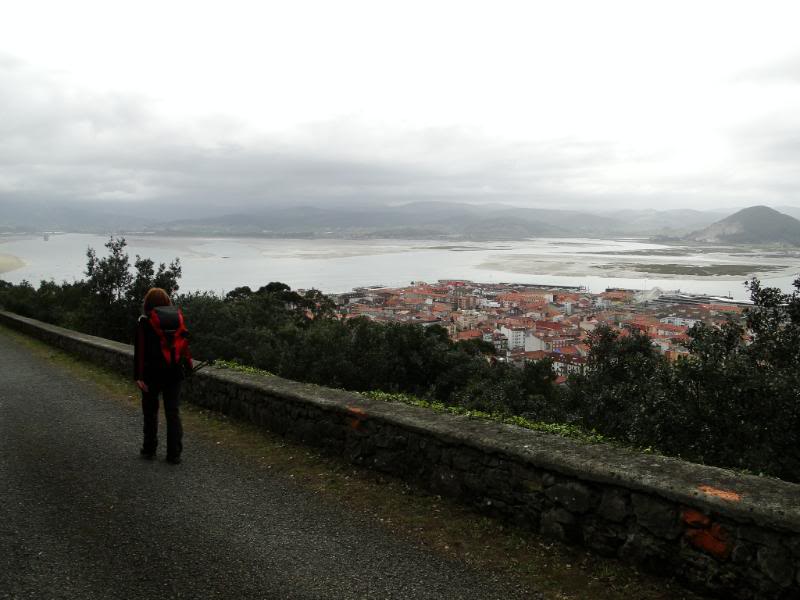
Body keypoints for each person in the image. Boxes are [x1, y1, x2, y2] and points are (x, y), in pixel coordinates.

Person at [134, 287, 192, 464]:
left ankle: (149, 449)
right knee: (172, 412)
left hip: (151, 374)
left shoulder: (145, 321)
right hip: (174, 373)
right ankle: (174, 454)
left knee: (150, 412)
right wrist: (188, 367)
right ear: (167, 301)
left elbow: (140, 350)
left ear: (148, 303)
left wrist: (139, 376)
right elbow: (184, 346)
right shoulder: (177, 319)